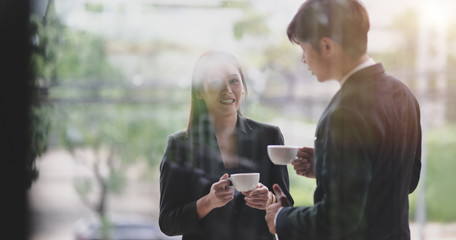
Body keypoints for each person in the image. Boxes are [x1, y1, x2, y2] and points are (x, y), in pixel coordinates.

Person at [265, 0, 422, 239]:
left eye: (304, 49)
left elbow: (337, 220)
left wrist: (281, 218)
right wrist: (331, 169)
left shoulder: (344, 111)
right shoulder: (403, 95)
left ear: (327, 46)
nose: (304, 59)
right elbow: (405, 181)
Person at [159, 50, 294, 240]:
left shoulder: (269, 137)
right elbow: (168, 222)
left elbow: (286, 209)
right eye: (215, 82)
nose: (227, 89)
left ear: (244, 87)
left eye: (234, 81)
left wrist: (269, 200)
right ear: (199, 92)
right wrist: (208, 202)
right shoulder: (180, 145)